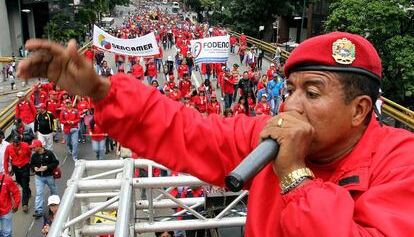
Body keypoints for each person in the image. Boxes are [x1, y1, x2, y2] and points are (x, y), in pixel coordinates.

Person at [17, 33, 414, 237]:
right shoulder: (264, 136)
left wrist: (294, 176)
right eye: (290, 89)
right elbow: (187, 131)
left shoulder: (402, 163)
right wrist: (101, 91)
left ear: (360, 110)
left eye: (311, 93)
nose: (290, 106)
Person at [29, 140, 59, 218]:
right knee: (39, 193)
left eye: (34, 147)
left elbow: (55, 163)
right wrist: (34, 168)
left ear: (39, 146)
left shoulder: (49, 153)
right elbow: (31, 165)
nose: (33, 149)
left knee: (54, 191)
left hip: (49, 176)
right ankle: (38, 210)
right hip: (39, 177)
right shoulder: (34, 156)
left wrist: (47, 167)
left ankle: (56, 206)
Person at [3, 135, 31, 213]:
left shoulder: (25, 145)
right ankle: (28, 191)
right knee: (19, 182)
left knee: (25, 185)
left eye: (17, 142)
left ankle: (25, 204)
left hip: (25, 167)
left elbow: (29, 154)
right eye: (14, 142)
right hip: (16, 168)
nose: (15, 144)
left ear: (20, 141)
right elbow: (6, 160)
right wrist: (7, 172)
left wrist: (28, 162)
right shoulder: (9, 148)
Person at [0, 171, 21, 237]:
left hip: (5, 211)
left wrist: (16, 205)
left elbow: (16, 192)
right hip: (5, 211)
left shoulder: (6, 179)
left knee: (7, 233)